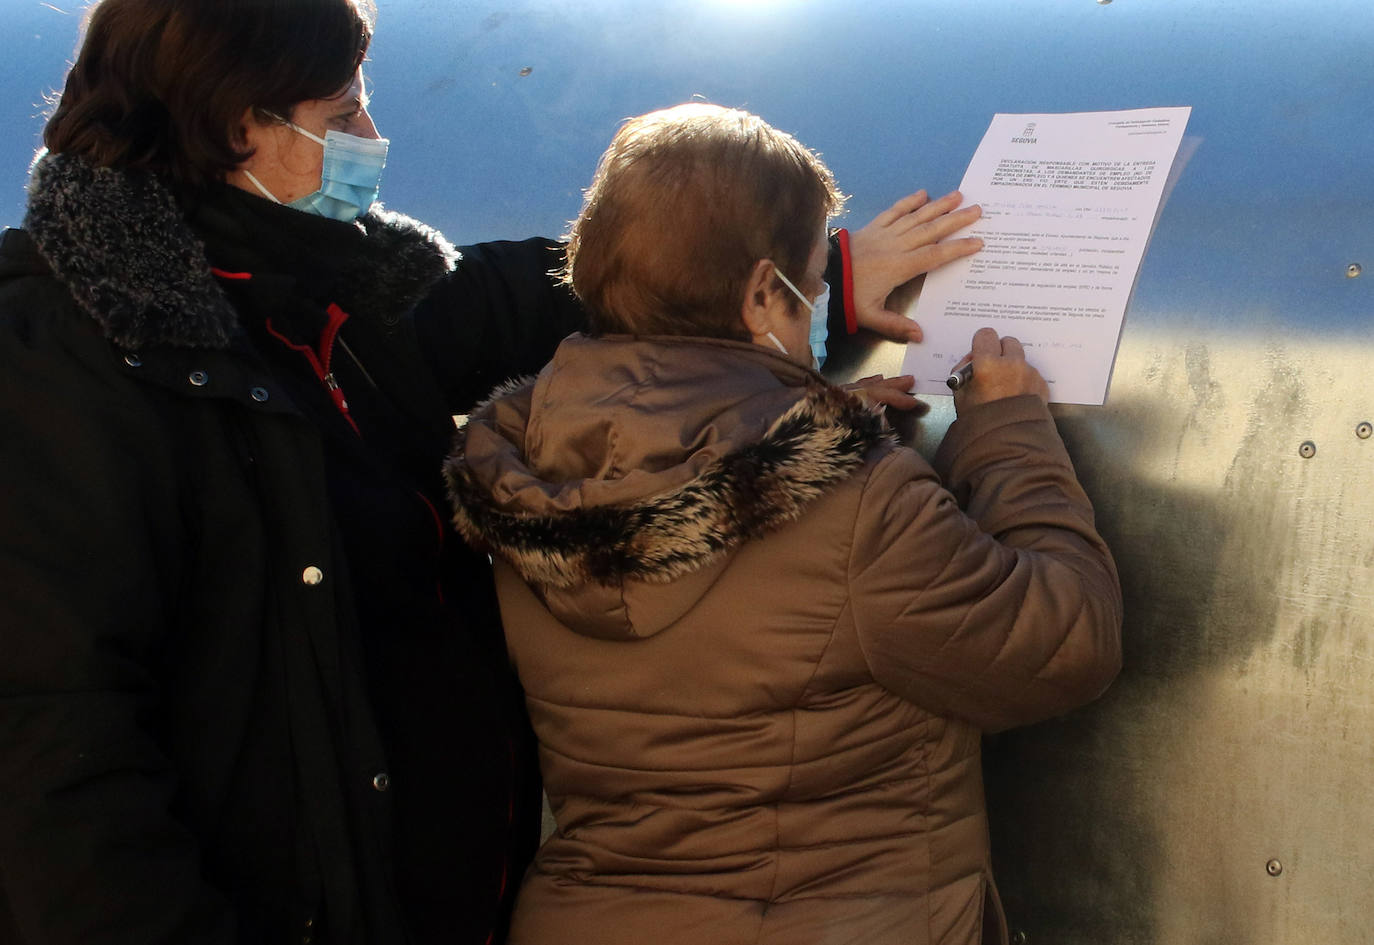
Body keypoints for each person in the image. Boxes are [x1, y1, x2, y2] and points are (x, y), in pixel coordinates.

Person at [0, 2, 984, 943]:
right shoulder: (67, 366)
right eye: (342, 113)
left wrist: (802, 285)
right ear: (234, 129)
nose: (373, 133)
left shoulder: (327, 299)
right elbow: (55, 756)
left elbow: (543, 297)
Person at [444, 103, 1124, 945]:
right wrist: (1009, 432)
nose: (821, 300)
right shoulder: (855, 503)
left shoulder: (530, 463)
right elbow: (1060, 641)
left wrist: (822, 424)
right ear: (764, 290)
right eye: (815, 281)